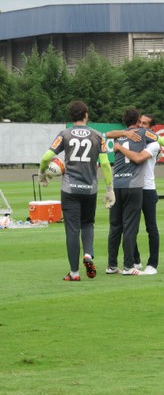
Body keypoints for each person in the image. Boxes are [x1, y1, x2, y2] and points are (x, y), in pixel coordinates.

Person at [38, 100, 115, 281]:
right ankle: (88, 254)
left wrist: (42, 173)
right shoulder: (97, 135)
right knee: (88, 223)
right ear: (86, 115)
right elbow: (104, 163)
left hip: (70, 189)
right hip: (90, 188)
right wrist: (109, 189)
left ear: (71, 116)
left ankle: (74, 273)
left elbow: (47, 157)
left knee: (72, 229)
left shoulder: (65, 134)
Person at [105, 108, 164, 276]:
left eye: (145, 124)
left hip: (147, 188)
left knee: (150, 227)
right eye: (140, 122)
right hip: (134, 186)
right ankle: (135, 261)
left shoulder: (153, 144)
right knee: (129, 226)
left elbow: (139, 158)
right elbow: (111, 133)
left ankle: (152, 264)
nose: (141, 126)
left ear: (152, 128)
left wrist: (119, 145)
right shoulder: (135, 136)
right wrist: (125, 134)